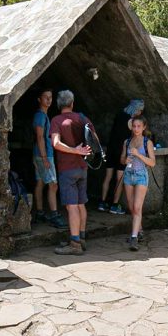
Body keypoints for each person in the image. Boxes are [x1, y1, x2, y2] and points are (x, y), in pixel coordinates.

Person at [50, 89, 96, 255]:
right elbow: (94, 139)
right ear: (72, 103)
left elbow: (55, 143)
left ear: (59, 104)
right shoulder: (82, 118)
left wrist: (74, 150)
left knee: (72, 207)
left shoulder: (56, 120)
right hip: (83, 168)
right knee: (81, 204)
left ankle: (75, 243)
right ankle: (82, 237)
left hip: (67, 168)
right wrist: (82, 151)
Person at [31, 89, 67, 229]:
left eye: (50, 97)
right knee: (53, 184)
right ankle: (54, 215)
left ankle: (40, 212)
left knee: (40, 182)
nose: (48, 100)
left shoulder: (42, 115)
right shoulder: (40, 116)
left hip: (39, 153)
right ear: (39, 99)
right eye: (45, 97)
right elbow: (40, 137)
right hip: (44, 154)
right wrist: (45, 157)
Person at [100, 100, 143, 215]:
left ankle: (102, 202)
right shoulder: (131, 121)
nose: (140, 112)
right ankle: (114, 205)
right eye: (139, 110)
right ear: (135, 109)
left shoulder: (119, 115)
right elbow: (134, 136)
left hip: (111, 149)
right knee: (119, 179)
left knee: (108, 177)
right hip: (121, 152)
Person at [122, 113, 156, 251]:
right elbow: (121, 159)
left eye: (139, 126)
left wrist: (138, 155)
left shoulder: (147, 142)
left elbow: (152, 163)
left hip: (141, 175)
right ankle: (139, 230)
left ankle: (134, 237)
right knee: (132, 207)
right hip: (128, 175)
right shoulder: (127, 142)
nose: (136, 129)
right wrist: (125, 160)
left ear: (144, 127)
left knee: (137, 207)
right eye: (134, 126)